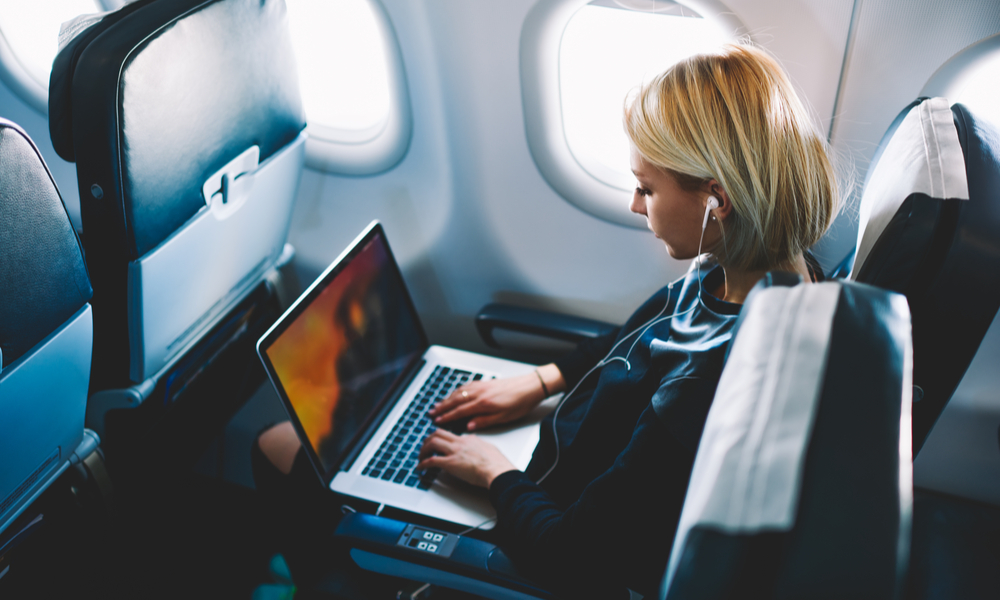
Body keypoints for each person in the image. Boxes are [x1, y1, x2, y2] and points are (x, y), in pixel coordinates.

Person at [254, 43, 840, 598]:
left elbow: (574, 559)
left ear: (717, 200)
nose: (636, 206)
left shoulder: (707, 384)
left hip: (539, 522)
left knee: (281, 448)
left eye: (647, 189)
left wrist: (494, 475)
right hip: (554, 462)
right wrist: (539, 382)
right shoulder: (752, 274)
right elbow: (636, 341)